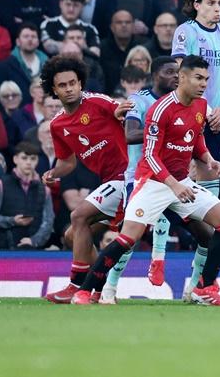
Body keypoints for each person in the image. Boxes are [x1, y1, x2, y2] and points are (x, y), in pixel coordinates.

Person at [71, 56, 220, 306]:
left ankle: (204, 288)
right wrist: (173, 184)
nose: (203, 84)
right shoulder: (160, 109)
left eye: (206, 79)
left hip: (181, 182)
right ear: (182, 78)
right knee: (127, 239)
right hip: (153, 182)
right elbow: (150, 155)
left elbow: (194, 139)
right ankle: (86, 291)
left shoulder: (199, 105)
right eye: (198, 78)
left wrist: (208, 159)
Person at [40, 55, 134, 304]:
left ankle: (76, 284)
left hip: (127, 177)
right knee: (72, 235)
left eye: (73, 82)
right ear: (54, 90)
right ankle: (97, 288)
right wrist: (53, 174)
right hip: (109, 182)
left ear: (80, 83)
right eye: (62, 85)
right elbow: (67, 162)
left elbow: (117, 108)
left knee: (78, 216)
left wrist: (122, 110)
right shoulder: (58, 125)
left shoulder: (97, 101)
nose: (69, 88)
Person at [170, 0, 220, 299]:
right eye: (211, 3)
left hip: (219, 120)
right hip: (193, 115)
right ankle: (161, 260)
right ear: (196, 6)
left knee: (211, 195)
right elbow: (182, 72)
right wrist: (208, 108)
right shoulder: (186, 32)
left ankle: (198, 282)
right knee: (185, 191)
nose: (217, 8)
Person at [100, 57, 180, 303]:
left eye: (178, 72)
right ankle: (109, 288)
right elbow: (130, 134)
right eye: (169, 72)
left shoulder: (179, 102)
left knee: (201, 225)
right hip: (140, 175)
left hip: (170, 175)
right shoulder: (138, 100)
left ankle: (160, 260)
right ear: (154, 75)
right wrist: (160, 132)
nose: (176, 77)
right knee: (130, 237)